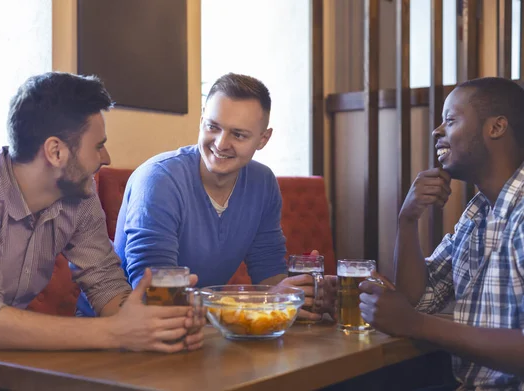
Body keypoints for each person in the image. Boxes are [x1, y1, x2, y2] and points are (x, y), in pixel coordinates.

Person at [0, 72, 204, 391]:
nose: (106, 158)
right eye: (98, 146)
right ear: (56, 152)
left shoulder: (77, 195)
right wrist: (117, 332)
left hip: (0, 356)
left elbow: (104, 283)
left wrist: (156, 325)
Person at [112, 73, 336, 321]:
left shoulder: (262, 183)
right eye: (213, 127)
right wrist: (265, 301)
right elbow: (157, 295)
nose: (220, 144)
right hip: (121, 331)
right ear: (201, 121)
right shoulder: (159, 180)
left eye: (238, 135)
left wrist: (298, 295)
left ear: (263, 139)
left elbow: (269, 269)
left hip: (202, 329)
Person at [359, 77, 524, 390]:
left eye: (450, 120)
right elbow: (419, 300)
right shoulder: (477, 214)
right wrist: (407, 220)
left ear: (496, 127)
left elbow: (415, 317)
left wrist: (417, 324)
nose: (437, 131)